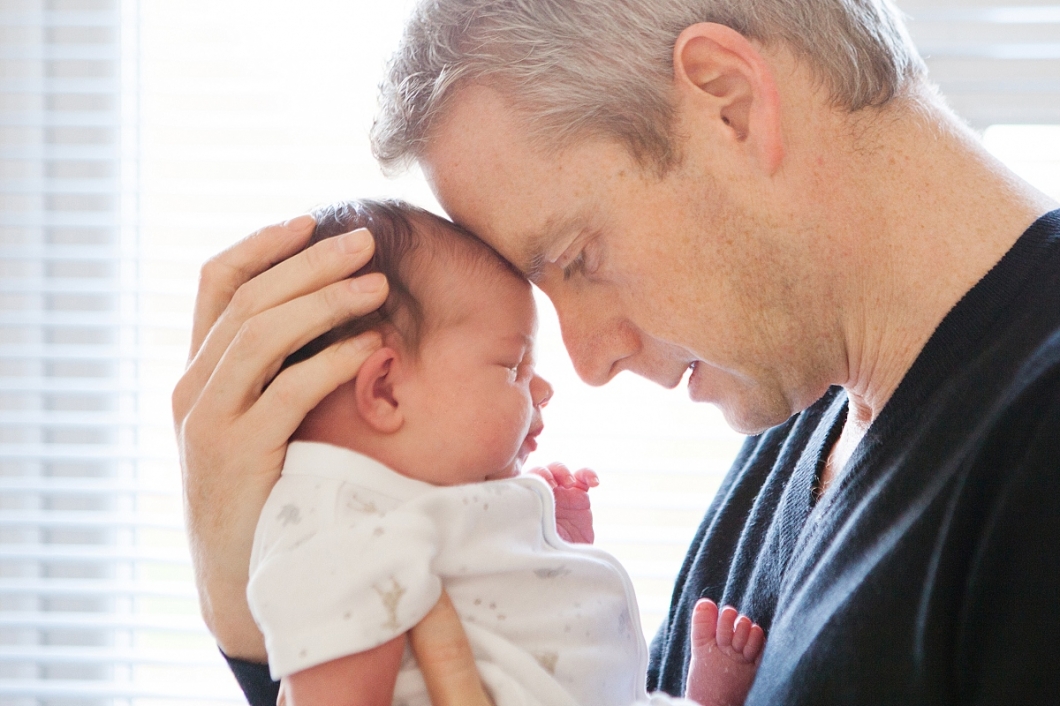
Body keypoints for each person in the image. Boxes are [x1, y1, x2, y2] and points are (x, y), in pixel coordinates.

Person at [172, 0, 1060, 704]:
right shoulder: (790, 444)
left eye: (576, 259)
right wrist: (256, 630)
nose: (587, 363)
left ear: (729, 101)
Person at [245, 199, 763, 706]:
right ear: (384, 391)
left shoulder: (406, 503)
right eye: (513, 366)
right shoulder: (340, 532)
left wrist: (547, 541)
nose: (543, 389)